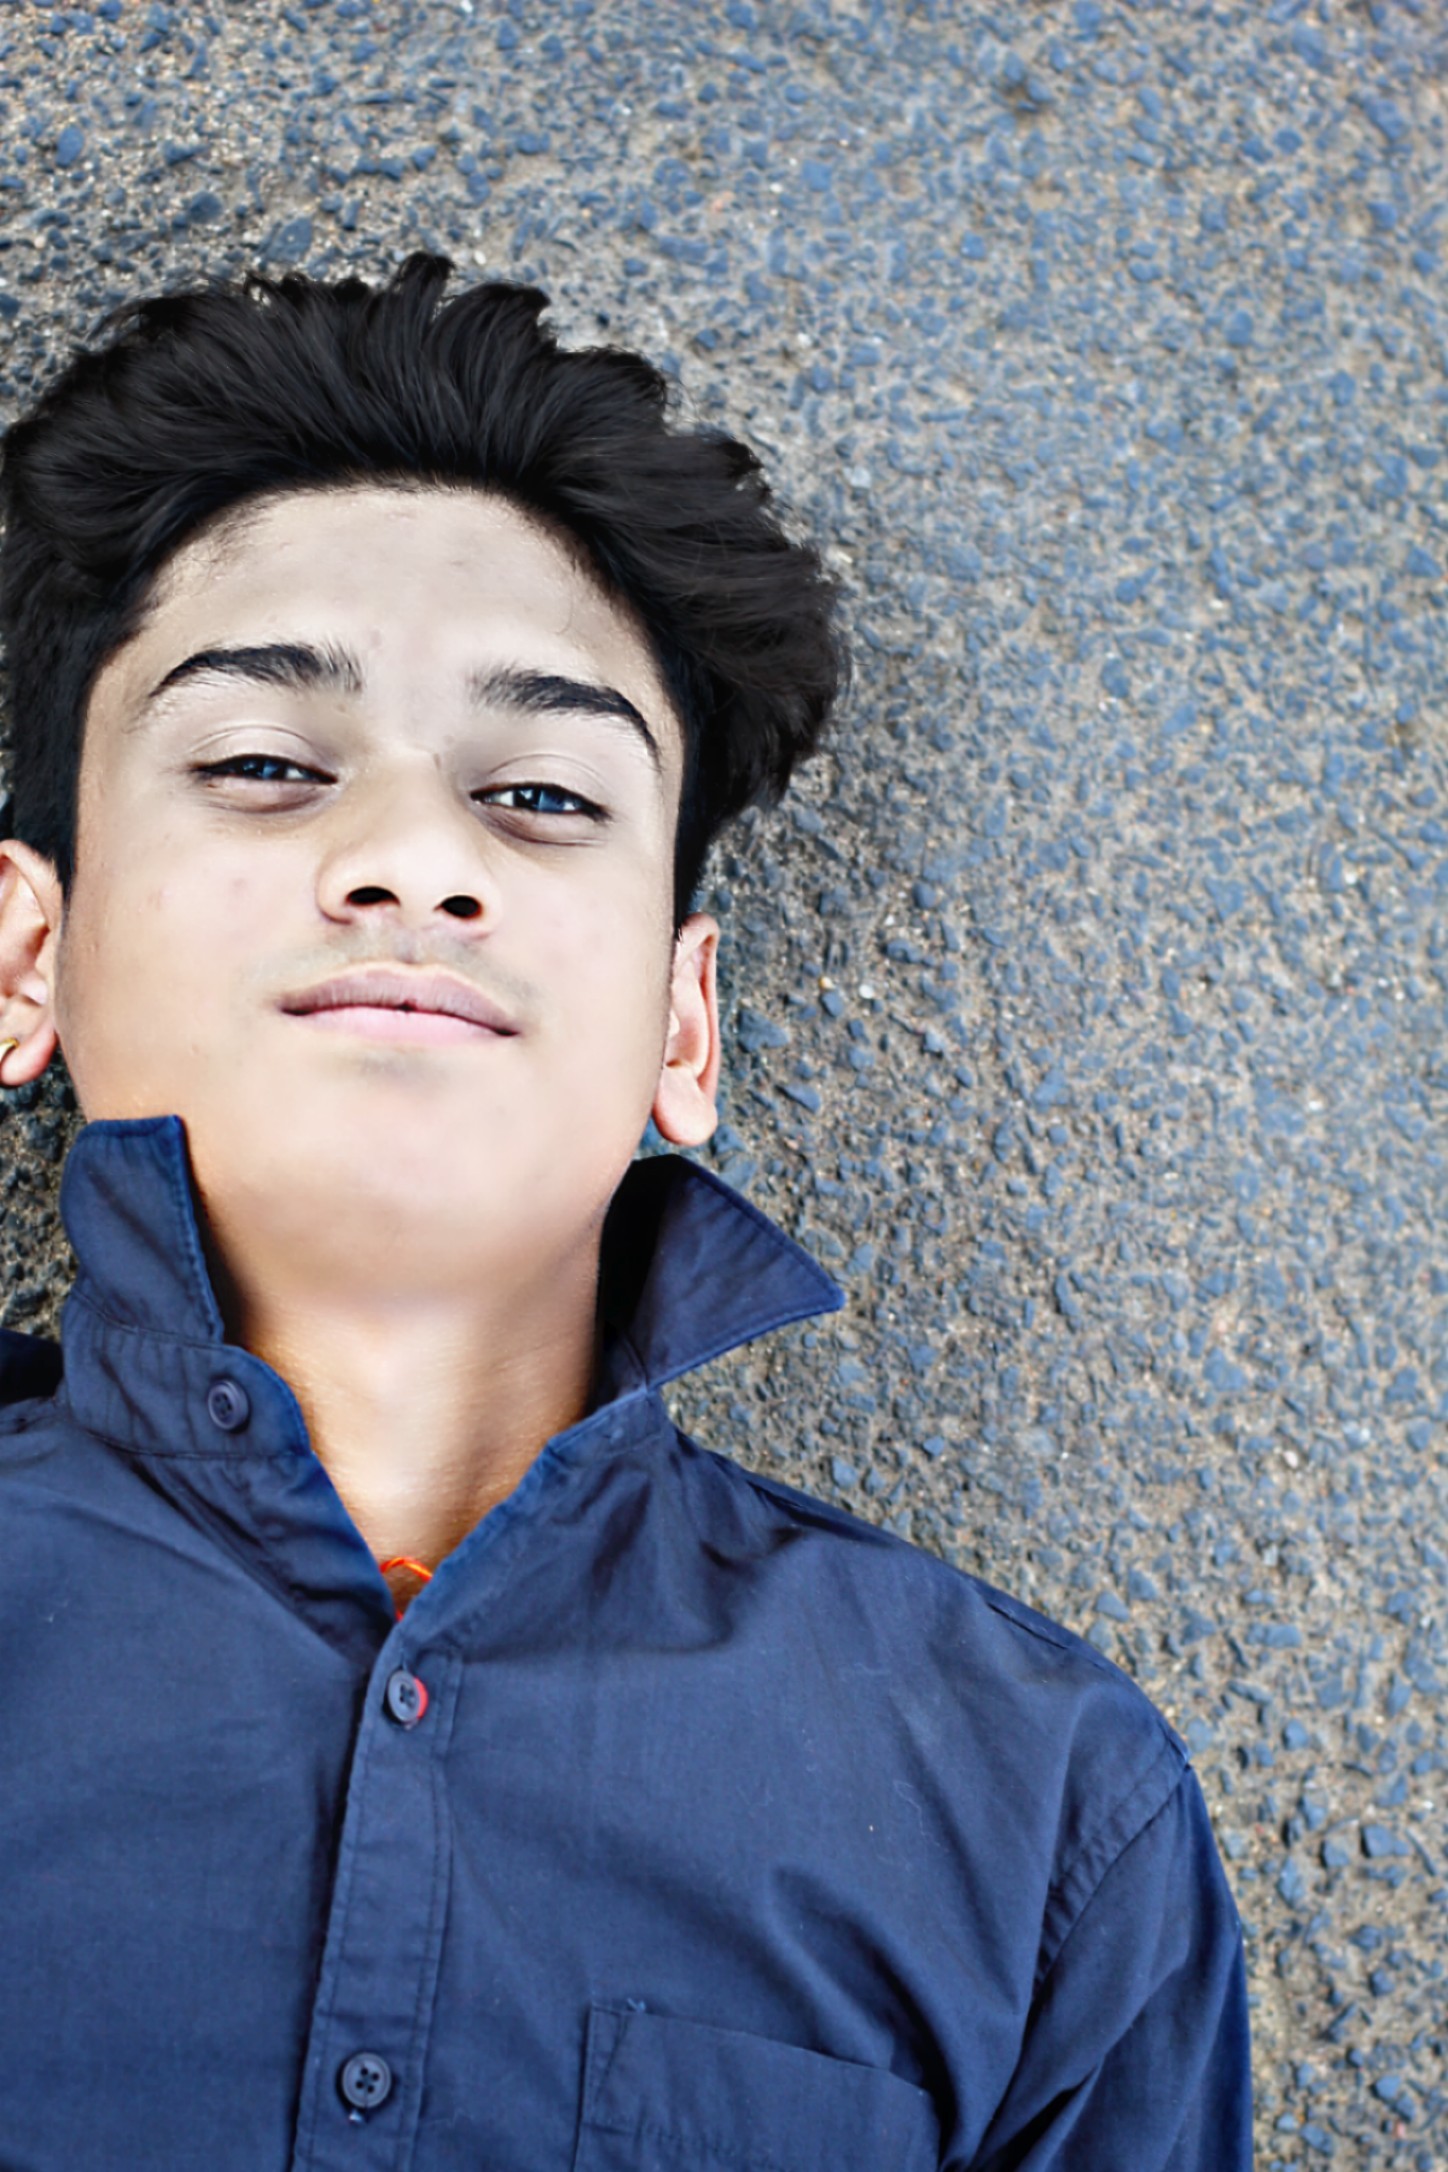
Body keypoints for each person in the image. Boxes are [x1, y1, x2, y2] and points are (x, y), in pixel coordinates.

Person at [0, 253, 1251, 2170]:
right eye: (262, 764)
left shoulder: (1039, 1808)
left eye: (543, 796)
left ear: (683, 1023)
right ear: (29, 958)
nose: (414, 857)